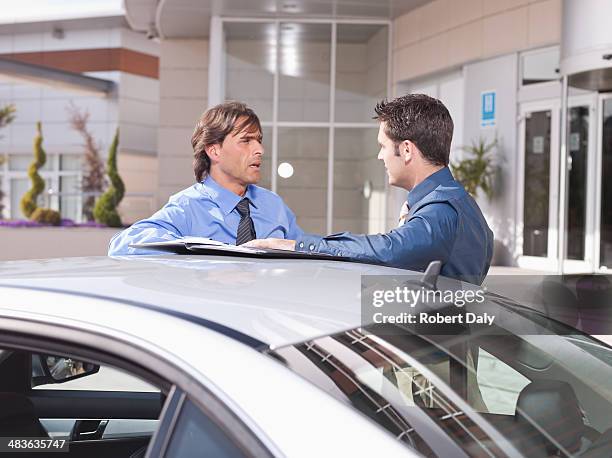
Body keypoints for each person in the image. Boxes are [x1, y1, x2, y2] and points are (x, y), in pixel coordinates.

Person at [246, 94, 494, 285]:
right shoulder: (459, 203)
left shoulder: (442, 211)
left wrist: (296, 246)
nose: (379, 156)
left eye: (383, 146)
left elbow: (387, 250)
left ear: (406, 150)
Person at [108, 101, 303, 256]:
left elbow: (311, 251)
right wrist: (202, 253)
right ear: (214, 151)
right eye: (246, 140)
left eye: (259, 141)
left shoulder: (274, 205)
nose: (260, 150)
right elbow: (123, 243)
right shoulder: (187, 207)